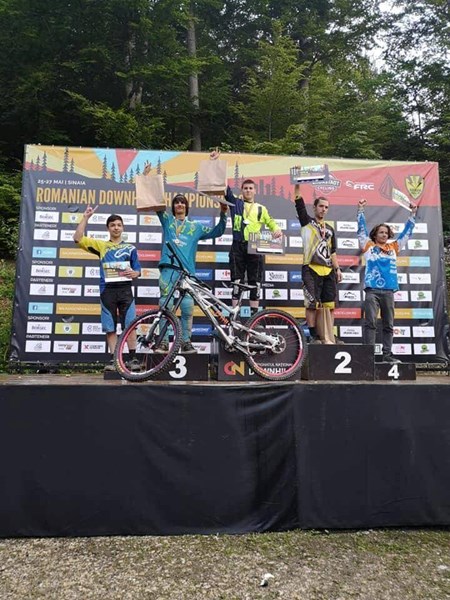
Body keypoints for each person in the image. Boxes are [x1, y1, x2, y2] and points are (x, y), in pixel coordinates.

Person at [142, 164, 228, 353]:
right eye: (176, 202)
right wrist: (146, 178)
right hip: (169, 270)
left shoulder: (195, 227)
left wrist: (223, 213)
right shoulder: (167, 221)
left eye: (182, 202)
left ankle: (185, 342)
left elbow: (218, 231)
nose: (179, 204)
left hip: (187, 274)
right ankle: (163, 342)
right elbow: (155, 201)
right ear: (173, 207)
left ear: (186, 207)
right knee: (166, 307)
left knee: (188, 308)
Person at [73, 208, 141, 369]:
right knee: (110, 328)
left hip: (125, 290)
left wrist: (135, 273)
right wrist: (85, 217)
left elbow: (138, 270)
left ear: (123, 227)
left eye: (119, 225)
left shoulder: (130, 248)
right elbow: (77, 238)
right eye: (112, 225)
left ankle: (133, 359)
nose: (116, 227)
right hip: (107, 291)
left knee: (130, 325)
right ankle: (115, 360)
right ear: (108, 228)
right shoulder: (101, 246)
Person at [214, 155, 281, 315]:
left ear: (255, 191)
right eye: (245, 188)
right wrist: (217, 163)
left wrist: (276, 230)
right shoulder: (235, 203)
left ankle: (254, 319)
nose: (248, 191)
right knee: (237, 282)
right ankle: (234, 317)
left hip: (255, 246)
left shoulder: (261, 208)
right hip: (238, 245)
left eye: (251, 188)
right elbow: (225, 188)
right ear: (242, 191)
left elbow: (270, 222)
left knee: (255, 282)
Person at [357, 198, 417, 363]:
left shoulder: (394, 248)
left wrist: (413, 214)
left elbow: (407, 233)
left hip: (389, 291)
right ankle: (368, 356)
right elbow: (361, 230)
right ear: (375, 235)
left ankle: (387, 355)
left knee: (388, 325)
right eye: (381, 232)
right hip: (372, 291)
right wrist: (361, 210)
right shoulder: (368, 246)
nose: (384, 234)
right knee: (370, 323)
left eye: (386, 232)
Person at [294, 183, 342, 344]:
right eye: (321, 206)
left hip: (328, 270)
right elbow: (299, 203)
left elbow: (333, 251)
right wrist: (297, 184)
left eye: (326, 207)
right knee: (311, 304)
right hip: (311, 268)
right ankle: (314, 336)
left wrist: (337, 269)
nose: (323, 209)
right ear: (314, 208)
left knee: (329, 305)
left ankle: (329, 335)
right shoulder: (307, 222)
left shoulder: (330, 229)